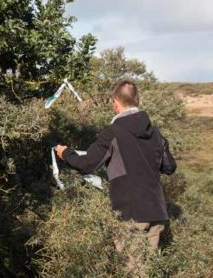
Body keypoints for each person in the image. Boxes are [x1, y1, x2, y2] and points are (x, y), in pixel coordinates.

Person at [54, 79, 176, 275]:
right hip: (156, 211)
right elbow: (169, 167)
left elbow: (88, 164)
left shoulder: (113, 132)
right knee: (146, 271)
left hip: (130, 212)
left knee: (133, 272)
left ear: (115, 103)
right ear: (137, 101)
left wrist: (66, 153)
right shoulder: (156, 134)